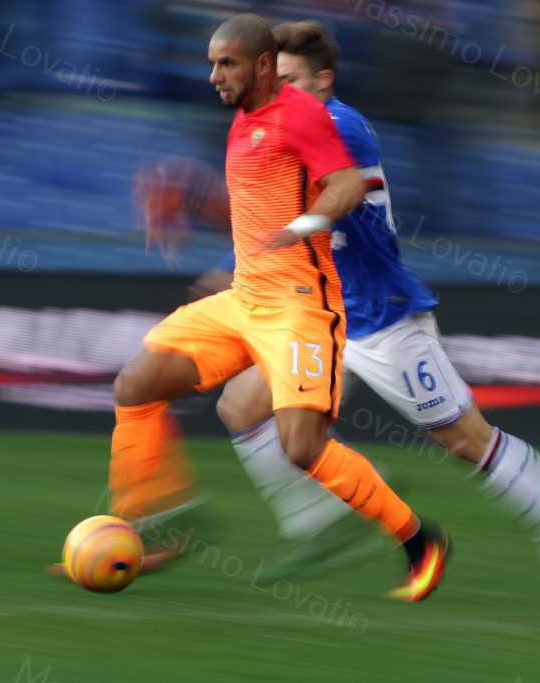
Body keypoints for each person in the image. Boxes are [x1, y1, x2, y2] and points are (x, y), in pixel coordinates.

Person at [205, 20, 540, 603]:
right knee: (241, 404)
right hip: (320, 320)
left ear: (324, 80)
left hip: (381, 318)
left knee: (468, 441)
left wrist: (207, 203)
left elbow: (320, 199)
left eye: (291, 80)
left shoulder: (342, 126)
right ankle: (318, 520)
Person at [115, 13, 451, 602]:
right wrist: (189, 200)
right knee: (136, 385)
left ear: (262, 66)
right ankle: (161, 521)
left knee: (302, 446)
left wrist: (303, 227)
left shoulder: (303, 115)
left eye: (227, 63)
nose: (214, 75)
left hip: (302, 305)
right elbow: (251, 210)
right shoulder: (244, 119)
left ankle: (418, 540)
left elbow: (346, 185)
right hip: (245, 298)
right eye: (212, 63)